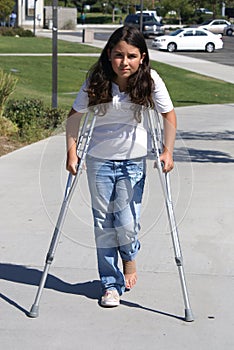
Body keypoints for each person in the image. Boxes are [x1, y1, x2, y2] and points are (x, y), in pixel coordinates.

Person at [66, 26, 177, 307]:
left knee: (126, 223)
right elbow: (75, 115)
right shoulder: (97, 79)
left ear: (142, 57)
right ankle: (110, 285)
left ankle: (129, 256)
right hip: (98, 161)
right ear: (109, 55)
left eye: (131, 56)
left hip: (133, 162)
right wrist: (71, 152)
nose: (124, 62)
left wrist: (167, 151)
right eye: (118, 55)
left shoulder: (150, 80)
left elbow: (168, 113)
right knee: (104, 223)